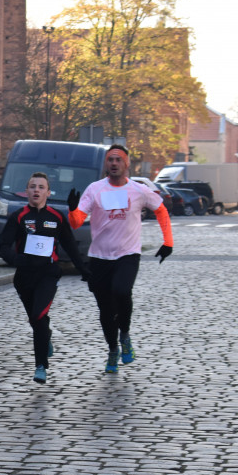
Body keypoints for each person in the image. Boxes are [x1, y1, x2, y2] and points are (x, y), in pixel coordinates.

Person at [67, 144, 173, 373]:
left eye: (118, 160)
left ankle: (124, 334)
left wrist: (168, 242)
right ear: (106, 163)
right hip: (99, 257)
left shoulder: (138, 190)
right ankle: (113, 349)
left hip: (128, 254)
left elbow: (161, 210)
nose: (114, 163)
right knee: (105, 310)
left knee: (122, 291)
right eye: (110, 160)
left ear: (126, 164)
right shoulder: (95, 189)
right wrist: (72, 210)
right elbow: (76, 222)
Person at [0, 172, 90, 384]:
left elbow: (70, 245)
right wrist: (15, 258)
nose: (36, 190)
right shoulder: (19, 216)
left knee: (39, 315)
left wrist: (84, 270)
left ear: (48, 192)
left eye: (41, 187)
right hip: (24, 276)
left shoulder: (56, 217)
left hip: (48, 273)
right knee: (36, 319)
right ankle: (45, 336)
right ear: (27, 191)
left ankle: (40, 365)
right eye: (32, 186)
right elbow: (3, 245)